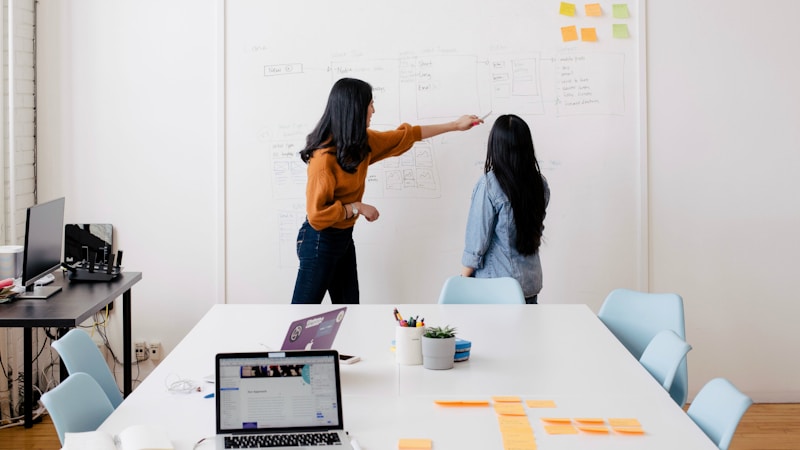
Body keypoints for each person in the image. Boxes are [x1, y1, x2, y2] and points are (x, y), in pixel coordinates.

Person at [292, 77, 482, 304]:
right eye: (370, 104)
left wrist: (455, 125)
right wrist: (356, 207)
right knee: (303, 316)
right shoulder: (323, 159)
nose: (373, 110)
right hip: (318, 240)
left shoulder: (361, 144)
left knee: (350, 312)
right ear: (354, 109)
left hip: (342, 238)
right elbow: (316, 216)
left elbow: (407, 135)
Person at [460, 114, 550, 304]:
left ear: (496, 146)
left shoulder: (489, 185)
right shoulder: (539, 184)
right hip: (529, 285)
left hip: (496, 288)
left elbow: (476, 244)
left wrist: (462, 281)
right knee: (525, 334)